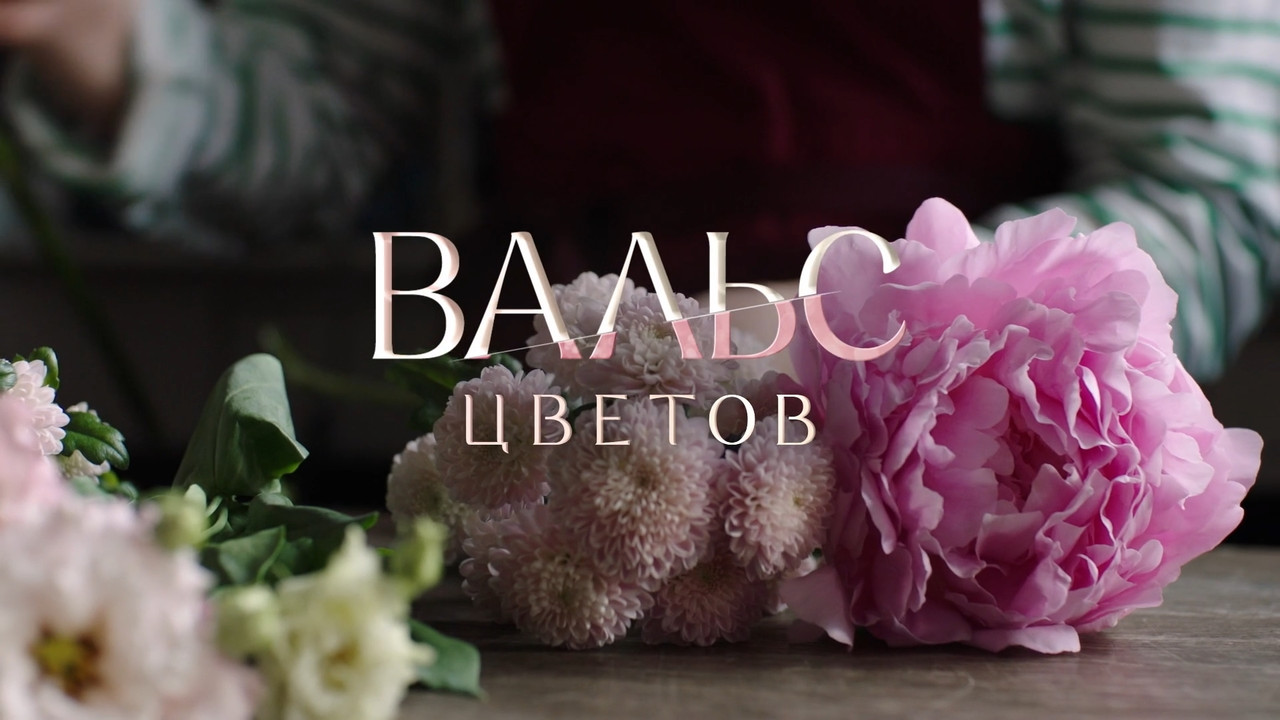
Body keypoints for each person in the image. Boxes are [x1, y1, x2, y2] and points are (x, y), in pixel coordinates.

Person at [0, 0, 1277, 381]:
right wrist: (89, 32)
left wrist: (846, 331)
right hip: (546, 465)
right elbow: (318, 132)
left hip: (957, 537)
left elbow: (1206, 204)